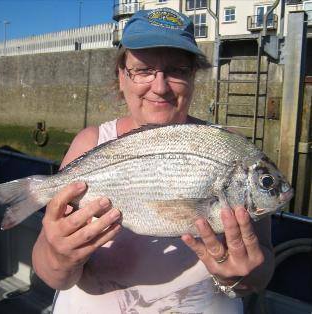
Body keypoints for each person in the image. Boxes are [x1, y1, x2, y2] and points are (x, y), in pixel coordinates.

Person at [32, 7, 275, 313]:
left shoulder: (230, 150)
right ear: (122, 77)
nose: (159, 87)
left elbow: (263, 272)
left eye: (177, 70)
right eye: (144, 69)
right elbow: (50, 272)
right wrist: (58, 257)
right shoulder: (90, 142)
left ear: (193, 76)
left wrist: (240, 276)